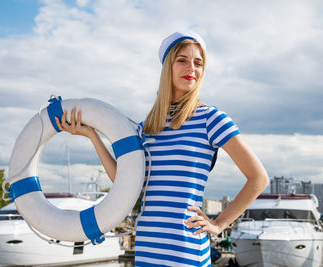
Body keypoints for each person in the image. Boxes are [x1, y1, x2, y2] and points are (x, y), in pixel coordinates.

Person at [55, 31, 269, 267]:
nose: (191, 68)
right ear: (168, 66)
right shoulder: (146, 128)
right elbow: (125, 182)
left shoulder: (211, 118)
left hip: (186, 251)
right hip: (147, 248)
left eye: (198, 63)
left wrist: (219, 224)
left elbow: (258, 178)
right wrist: (93, 136)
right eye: (182, 60)